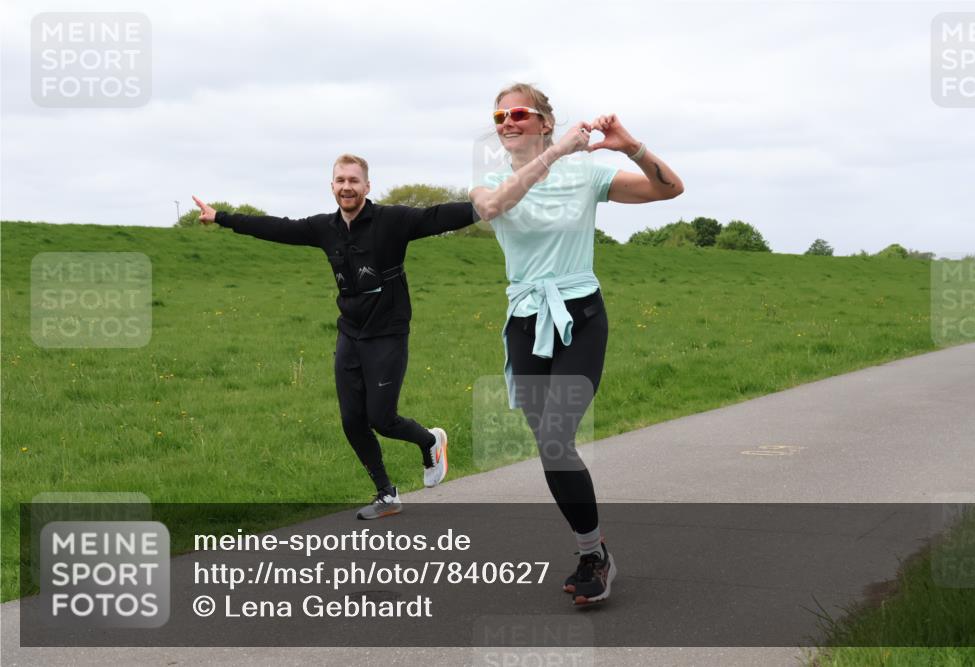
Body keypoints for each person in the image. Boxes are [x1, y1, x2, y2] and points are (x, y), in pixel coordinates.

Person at [469, 84, 684, 605]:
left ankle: (593, 557)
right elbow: (494, 207)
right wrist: (556, 153)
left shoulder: (586, 174)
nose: (507, 122)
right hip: (525, 321)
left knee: (558, 434)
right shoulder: (492, 180)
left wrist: (630, 146)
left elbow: (669, 189)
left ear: (544, 121)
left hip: (580, 316)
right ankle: (595, 549)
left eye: (519, 113)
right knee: (550, 445)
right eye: (500, 116)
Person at [194, 154, 477, 519]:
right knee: (351, 422)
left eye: (354, 181)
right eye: (340, 180)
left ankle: (430, 441)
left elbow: (438, 216)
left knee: (382, 418)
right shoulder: (324, 227)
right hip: (350, 334)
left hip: (388, 333)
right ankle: (386, 494)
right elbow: (277, 228)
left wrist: (490, 203)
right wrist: (221, 217)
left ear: (367, 186)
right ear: (332, 187)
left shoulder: (391, 221)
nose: (347, 187)